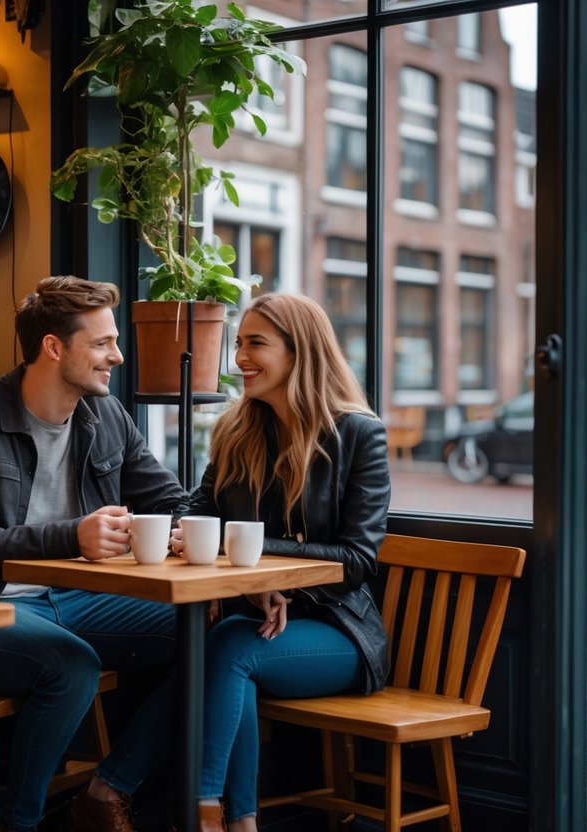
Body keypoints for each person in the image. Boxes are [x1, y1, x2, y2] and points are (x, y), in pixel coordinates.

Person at [93, 293, 392, 832]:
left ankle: (186, 808)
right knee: (223, 657)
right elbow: (195, 508)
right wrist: (182, 534)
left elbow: (357, 560)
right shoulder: (238, 431)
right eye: (238, 343)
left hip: (339, 631)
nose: (239, 358)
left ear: (300, 351)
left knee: (226, 648)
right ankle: (240, 821)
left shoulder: (357, 435)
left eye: (256, 343)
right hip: (258, 626)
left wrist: (254, 558)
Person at [0, 275, 188, 832]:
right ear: (53, 346)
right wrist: (72, 536)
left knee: (210, 634)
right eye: (101, 343)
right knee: (72, 665)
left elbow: (171, 499)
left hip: (81, 602)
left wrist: (197, 531)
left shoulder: (106, 416)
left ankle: (105, 790)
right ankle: (18, 823)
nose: (116, 355)